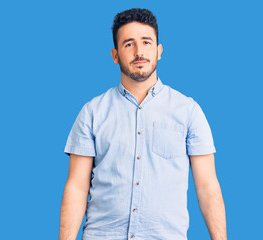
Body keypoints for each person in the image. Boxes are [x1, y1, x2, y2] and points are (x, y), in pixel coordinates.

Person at [59, 8, 227, 240]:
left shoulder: (188, 111)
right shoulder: (92, 112)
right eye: (128, 44)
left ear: (159, 51)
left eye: (146, 42)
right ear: (115, 54)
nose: (139, 52)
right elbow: (77, 187)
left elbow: (207, 186)